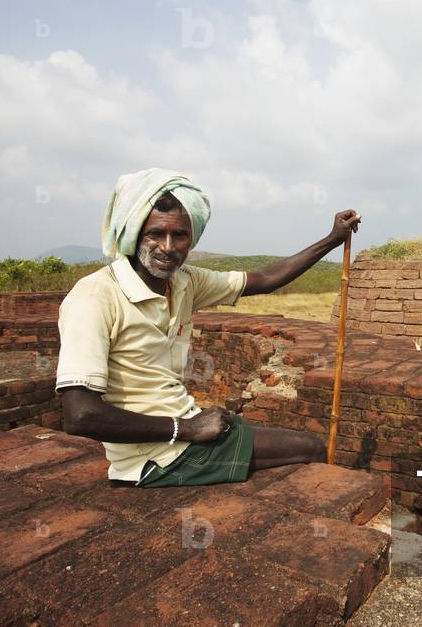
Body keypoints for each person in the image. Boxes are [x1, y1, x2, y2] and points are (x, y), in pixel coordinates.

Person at [55, 168, 360, 487]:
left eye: (180, 235)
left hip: (181, 431)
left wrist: (332, 239)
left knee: (260, 434)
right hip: (156, 456)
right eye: (155, 234)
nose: (168, 247)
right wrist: (184, 428)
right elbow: (80, 415)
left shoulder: (183, 281)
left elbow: (264, 280)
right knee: (311, 447)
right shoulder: (95, 296)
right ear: (133, 235)